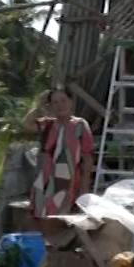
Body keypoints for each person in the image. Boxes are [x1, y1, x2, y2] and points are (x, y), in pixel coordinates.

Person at [22, 88, 95, 217]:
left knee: (63, 218)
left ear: (70, 102)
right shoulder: (47, 124)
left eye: (63, 101)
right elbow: (27, 125)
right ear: (50, 105)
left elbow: (87, 160)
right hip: (43, 182)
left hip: (68, 183)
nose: (60, 105)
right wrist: (38, 105)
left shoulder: (80, 125)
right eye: (55, 102)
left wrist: (83, 191)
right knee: (41, 216)